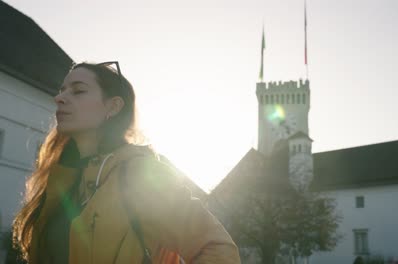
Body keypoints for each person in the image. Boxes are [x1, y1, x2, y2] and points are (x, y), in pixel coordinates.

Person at [11, 62, 241, 264]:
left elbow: (216, 247)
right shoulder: (63, 177)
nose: (59, 98)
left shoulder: (140, 174)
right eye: (62, 91)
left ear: (113, 107)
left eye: (78, 91)